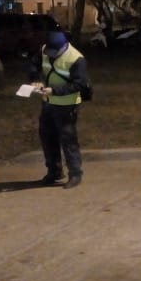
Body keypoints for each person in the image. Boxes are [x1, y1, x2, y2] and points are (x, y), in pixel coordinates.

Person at [29, 31, 90, 189]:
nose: (51, 55)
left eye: (54, 52)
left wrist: (55, 91)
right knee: (47, 137)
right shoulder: (44, 50)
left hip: (67, 104)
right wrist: (35, 79)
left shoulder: (76, 59)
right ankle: (54, 171)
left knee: (68, 139)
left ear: (64, 46)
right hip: (48, 102)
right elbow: (34, 64)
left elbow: (79, 84)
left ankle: (75, 174)